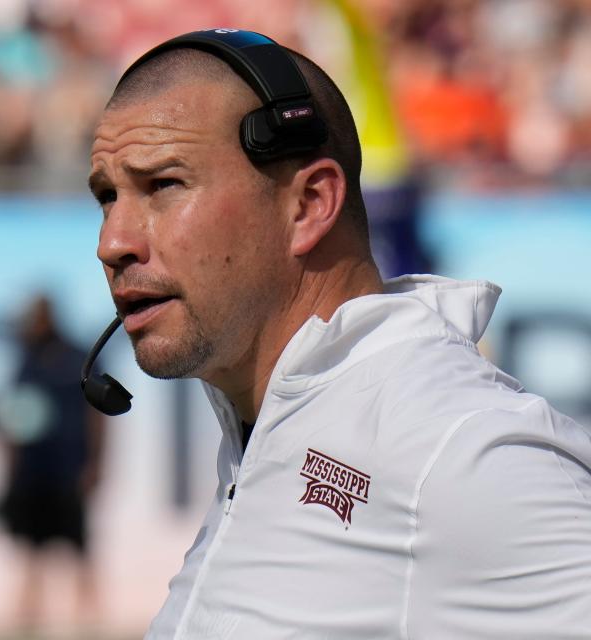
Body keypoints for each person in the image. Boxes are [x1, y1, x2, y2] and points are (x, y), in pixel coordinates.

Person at [87, 29, 591, 638]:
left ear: (309, 205)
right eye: (107, 197)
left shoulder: (456, 444)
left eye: (162, 185)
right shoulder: (267, 428)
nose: (112, 242)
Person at [0, 294, 106, 630]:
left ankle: (90, 621)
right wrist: (10, 467)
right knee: (32, 549)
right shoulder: (26, 360)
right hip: (33, 471)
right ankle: (29, 620)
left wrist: (96, 462)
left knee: (80, 549)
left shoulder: (79, 359)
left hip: (68, 469)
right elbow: (14, 413)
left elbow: (96, 414)